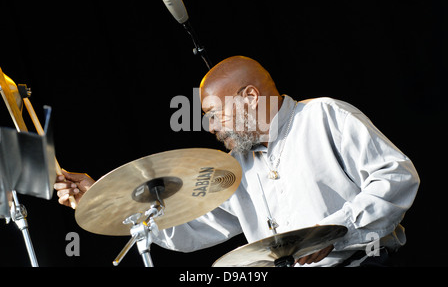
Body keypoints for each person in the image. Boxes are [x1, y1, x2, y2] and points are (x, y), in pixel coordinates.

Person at [55, 56, 420, 266]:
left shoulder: (324, 116)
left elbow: (397, 177)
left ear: (248, 98)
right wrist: (109, 198)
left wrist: (335, 233)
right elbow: (193, 230)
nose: (210, 127)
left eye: (214, 114)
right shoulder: (237, 166)